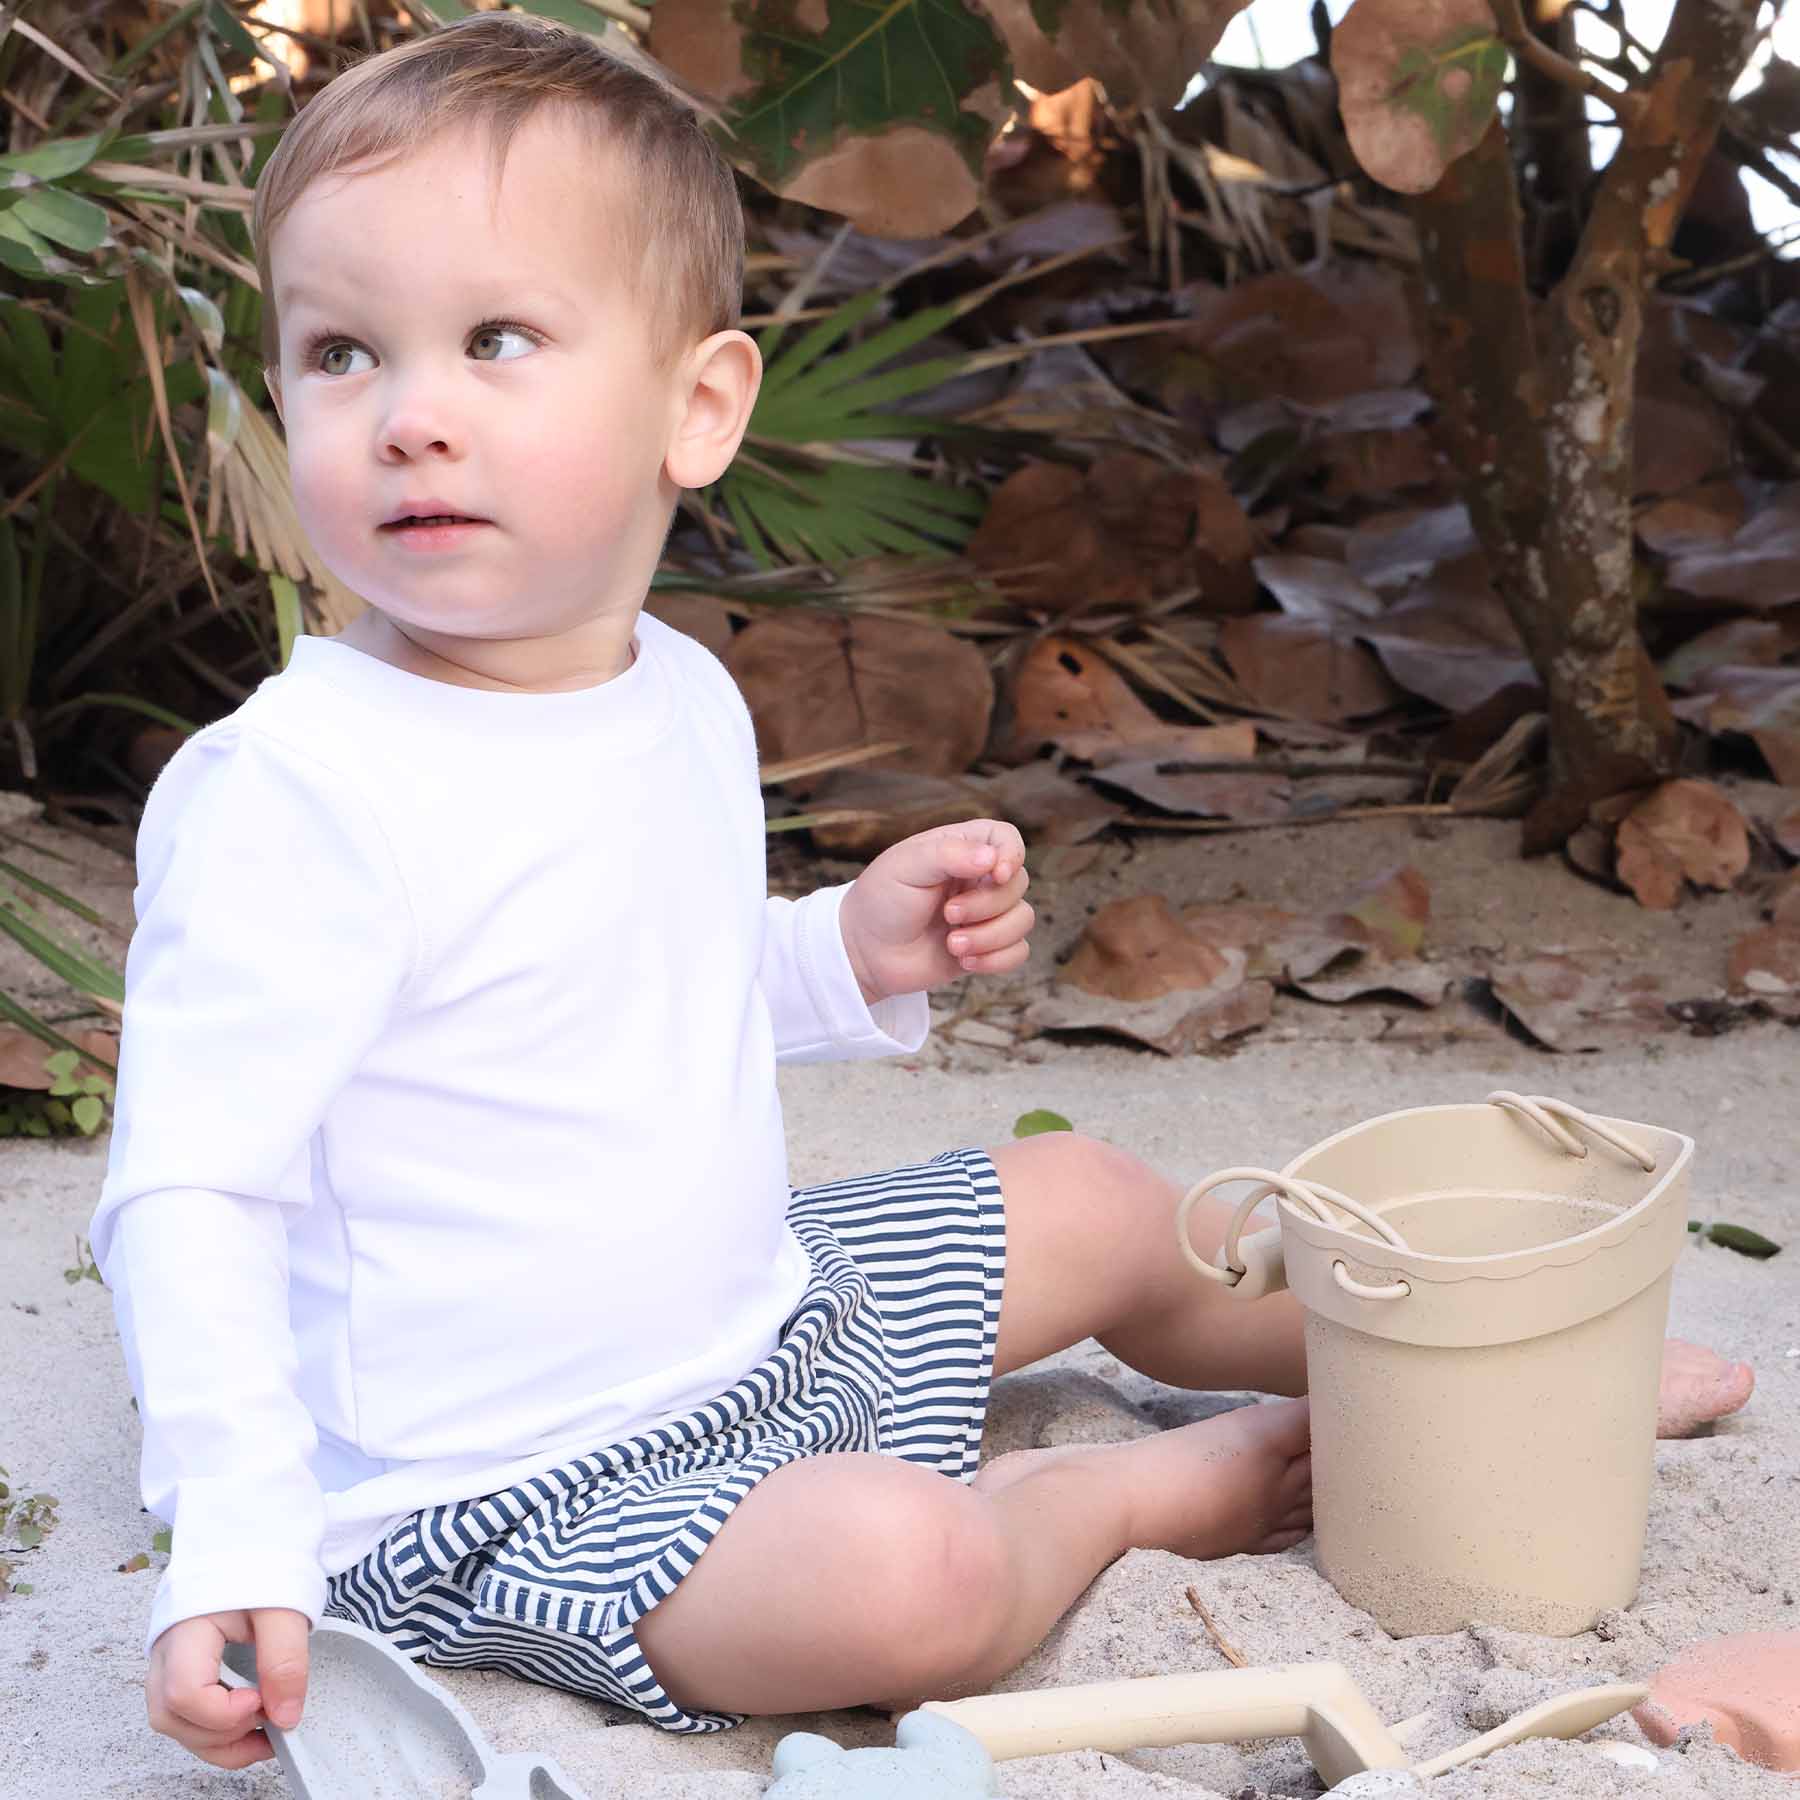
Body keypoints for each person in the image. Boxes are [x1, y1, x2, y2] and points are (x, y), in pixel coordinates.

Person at [88, 11, 1753, 1776]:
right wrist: (240, 1542)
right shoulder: (296, 796)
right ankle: (1151, 1482)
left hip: (765, 1318)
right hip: (498, 1480)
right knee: (907, 1587)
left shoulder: (668, 688)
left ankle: (1451, 1375)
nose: (412, 417)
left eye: (495, 341)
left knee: (1104, 1202)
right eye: (342, 354)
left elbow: (610, 982)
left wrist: (834, 955)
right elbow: (188, 1189)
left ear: (698, 406)